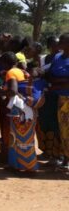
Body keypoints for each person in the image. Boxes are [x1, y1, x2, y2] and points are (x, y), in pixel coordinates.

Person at [48, 33, 69, 170]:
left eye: (63, 41)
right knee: (63, 131)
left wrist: (57, 82)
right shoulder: (57, 57)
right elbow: (50, 76)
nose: (59, 43)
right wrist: (61, 82)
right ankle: (66, 159)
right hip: (60, 99)